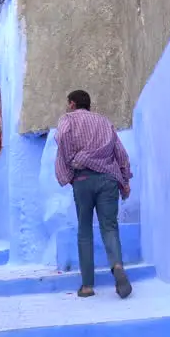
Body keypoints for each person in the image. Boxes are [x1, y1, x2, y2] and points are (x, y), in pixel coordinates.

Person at [54, 89, 133, 299]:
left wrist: (71, 162)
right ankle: (117, 265)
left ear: (72, 104)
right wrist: (125, 180)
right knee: (110, 227)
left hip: (82, 180)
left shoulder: (68, 120)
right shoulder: (104, 122)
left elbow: (61, 137)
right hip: (108, 179)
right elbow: (121, 154)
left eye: (67, 103)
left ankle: (87, 286)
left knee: (85, 230)